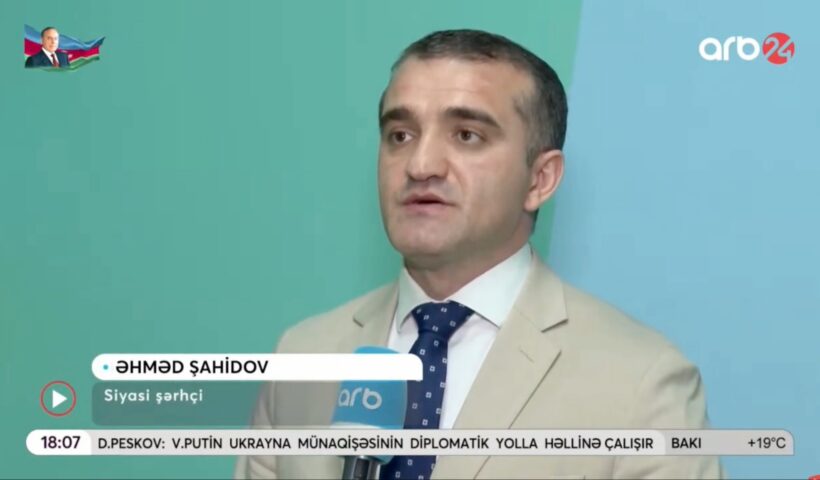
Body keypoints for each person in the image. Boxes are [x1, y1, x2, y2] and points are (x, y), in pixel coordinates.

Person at [235, 29, 724, 479]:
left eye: (466, 135)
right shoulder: (302, 355)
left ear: (540, 180)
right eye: (400, 135)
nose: (420, 165)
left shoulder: (641, 384)